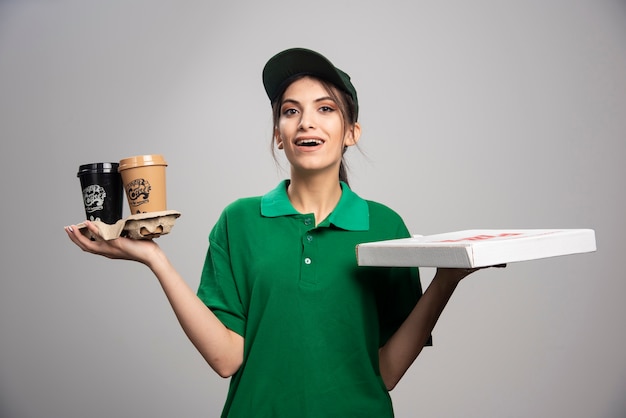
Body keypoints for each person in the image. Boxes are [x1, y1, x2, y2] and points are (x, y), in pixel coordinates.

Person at [65, 47, 496, 417]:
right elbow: (226, 358)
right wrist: (154, 259)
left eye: (325, 109)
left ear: (350, 132)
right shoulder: (239, 220)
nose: (307, 122)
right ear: (278, 135)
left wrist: (446, 280)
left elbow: (387, 371)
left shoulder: (386, 226)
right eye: (291, 111)